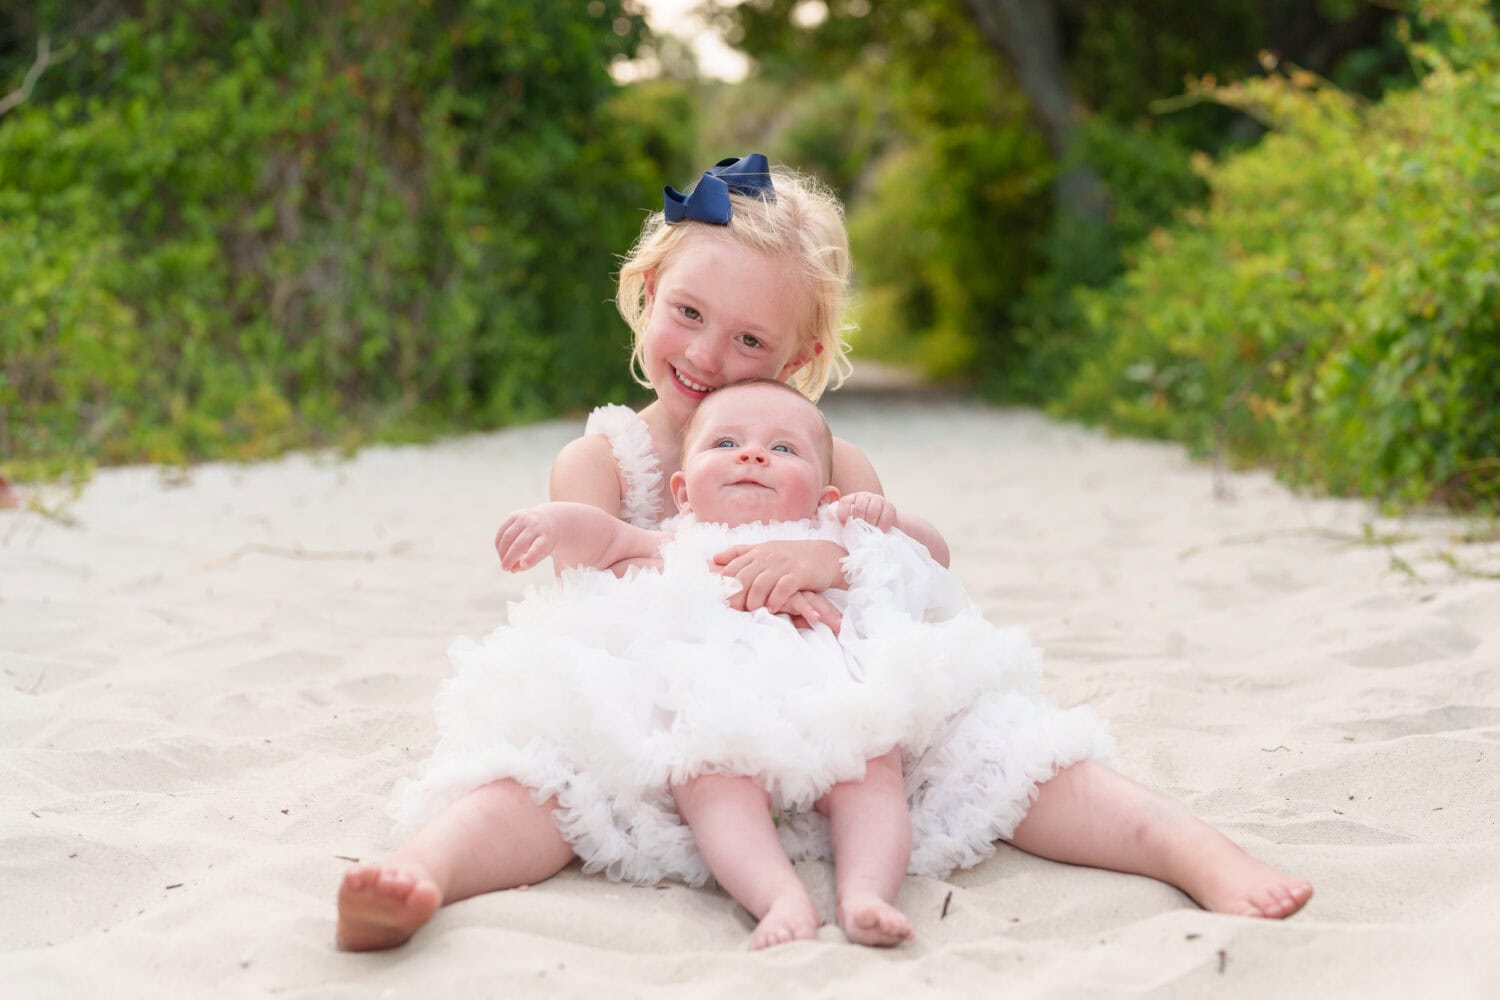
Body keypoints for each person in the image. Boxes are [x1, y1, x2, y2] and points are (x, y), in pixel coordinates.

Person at [335, 155, 1312, 952]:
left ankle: (1189, 848)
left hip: (843, 711)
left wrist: (829, 560)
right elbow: (597, 618)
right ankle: (425, 874)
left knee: (1008, 752)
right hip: (683, 723)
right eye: (688, 314)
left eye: (751, 338)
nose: (709, 356)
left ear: (800, 359)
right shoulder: (602, 461)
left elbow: (906, 575)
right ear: (644, 295)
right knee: (543, 776)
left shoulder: (832, 457)